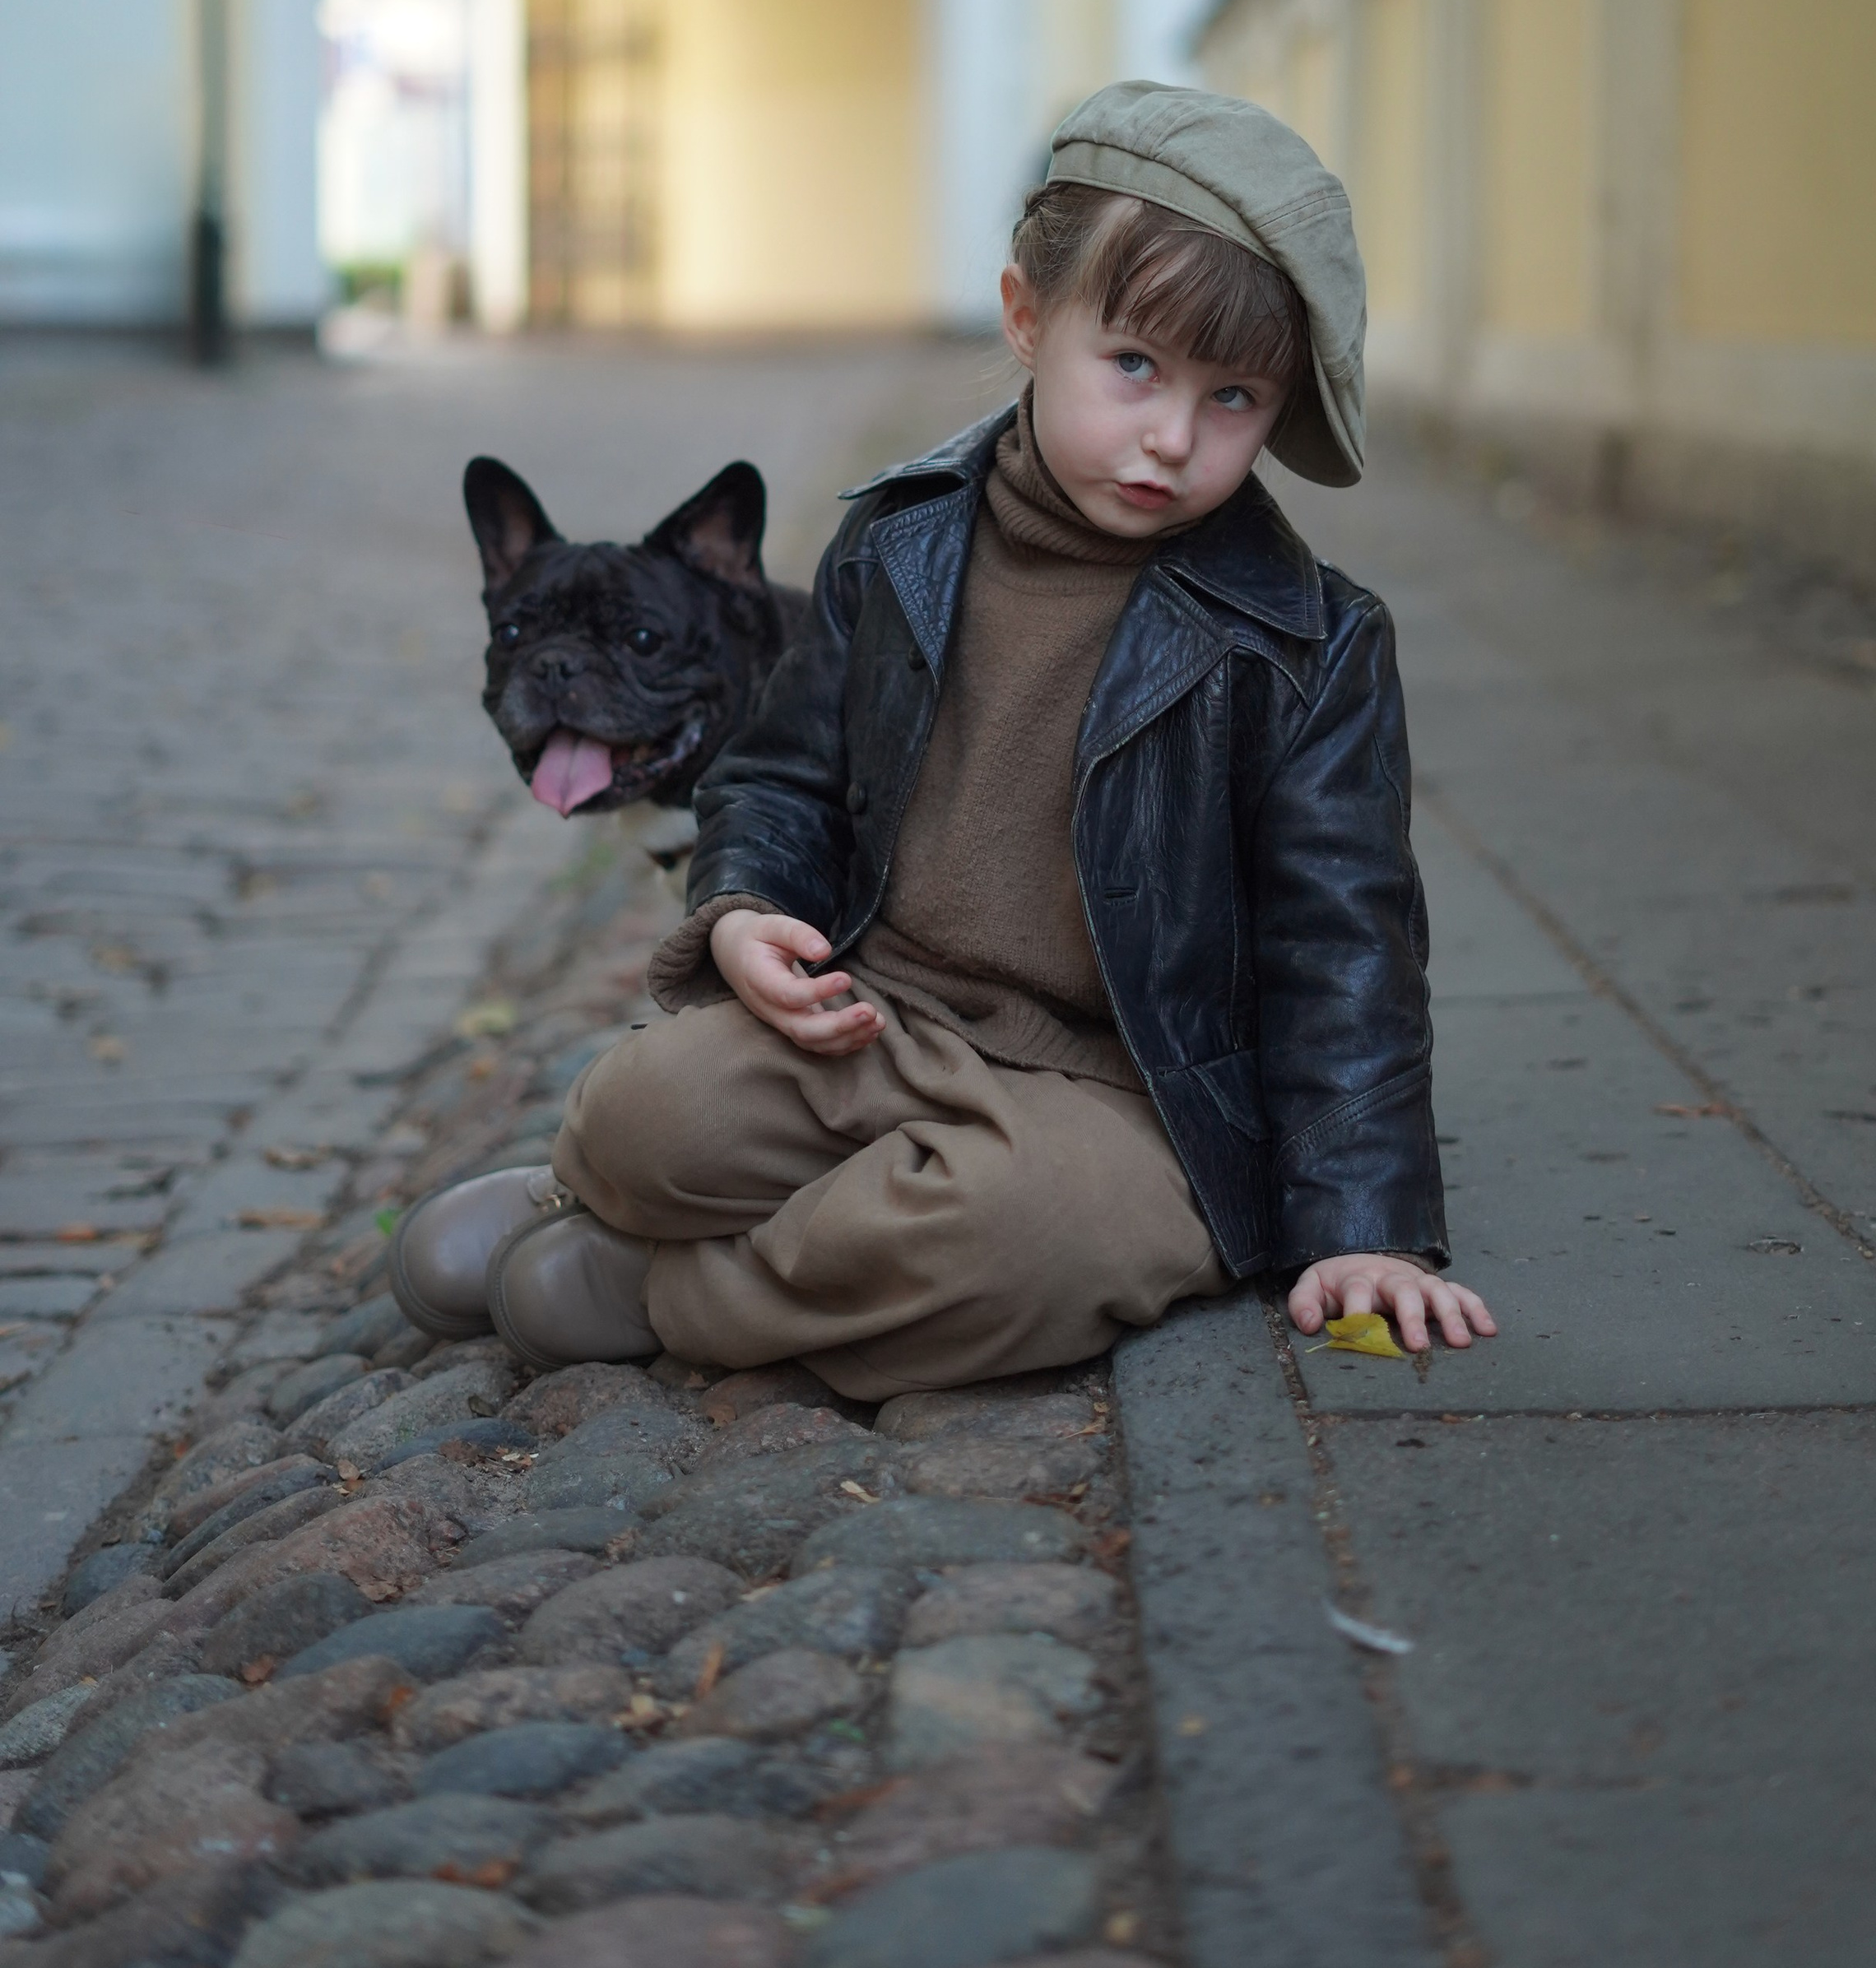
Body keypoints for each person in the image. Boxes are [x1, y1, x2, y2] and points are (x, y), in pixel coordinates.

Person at [390, 81, 1495, 1395]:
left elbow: (1346, 942)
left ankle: (676, 1289)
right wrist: (745, 907)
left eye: (1234, 399)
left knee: (1022, 1244)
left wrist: (1368, 1231)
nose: (1171, 437)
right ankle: (611, 1192)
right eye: (1133, 364)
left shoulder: (1311, 645)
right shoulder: (903, 543)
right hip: (885, 1015)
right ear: (1029, 318)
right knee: (642, 1112)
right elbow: (783, 769)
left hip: (1132, 1090)